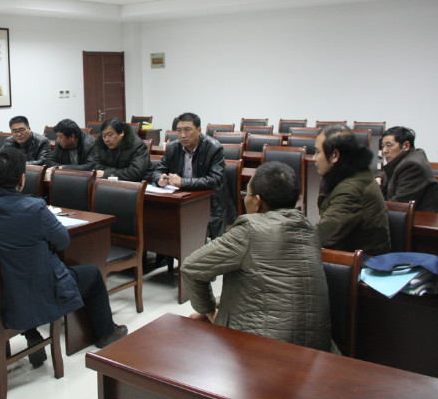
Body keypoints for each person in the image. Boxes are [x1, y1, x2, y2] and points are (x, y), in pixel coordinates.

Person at [0, 147, 127, 367]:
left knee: (12, 272)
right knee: (93, 275)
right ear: (22, 179)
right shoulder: (34, 209)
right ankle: (106, 333)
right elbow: (62, 242)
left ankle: (31, 332)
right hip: (32, 292)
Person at [181, 161, 331, 351]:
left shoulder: (250, 230)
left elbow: (191, 268)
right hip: (315, 349)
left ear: (257, 201)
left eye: (247, 194)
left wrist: (210, 312)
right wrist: (215, 306)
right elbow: (270, 288)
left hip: (264, 350)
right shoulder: (309, 230)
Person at [153, 112, 236, 237]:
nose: (183, 135)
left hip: (210, 203)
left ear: (199, 130)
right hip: (181, 199)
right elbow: (157, 171)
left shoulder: (214, 148)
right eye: (179, 131)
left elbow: (215, 180)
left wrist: (183, 182)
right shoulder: (172, 147)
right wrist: (160, 178)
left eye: (187, 130)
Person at [314, 125, 390, 255]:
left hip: (362, 263)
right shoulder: (352, 173)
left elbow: (322, 236)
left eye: (317, 152)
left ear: (335, 155)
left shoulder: (351, 189)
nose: (314, 158)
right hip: (346, 254)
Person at [377, 126, 438, 212]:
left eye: (389, 145)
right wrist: (379, 177)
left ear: (406, 145)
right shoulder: (408, 156)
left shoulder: (412, 166)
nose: (384, 151)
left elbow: (398, 204)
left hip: (417, 217)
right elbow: (389, 170)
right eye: (383, 146)